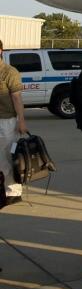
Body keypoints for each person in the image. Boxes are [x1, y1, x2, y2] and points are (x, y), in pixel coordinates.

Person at [0, 39, 28, 206]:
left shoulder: (9, 72)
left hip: (7, 122)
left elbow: (17, 97)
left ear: (1, 50)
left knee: (7, 158)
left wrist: (21, 121)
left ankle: (13, 192)